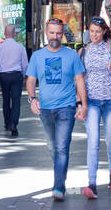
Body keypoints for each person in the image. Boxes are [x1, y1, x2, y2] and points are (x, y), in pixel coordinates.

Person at [26, 18, 87, 200]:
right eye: (52, 33)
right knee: (53, 148)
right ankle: (61, 176)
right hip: (45, 109)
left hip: (66, 108)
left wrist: (83, 105)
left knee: (61, 147)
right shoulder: (37, 56)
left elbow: (80, 81)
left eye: (58, 33)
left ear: (62, 34)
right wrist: (32, 98)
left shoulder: (71, 55)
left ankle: (58, 186)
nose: (55, 36)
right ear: (46, 32)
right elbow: (30, 80)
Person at [79, 17, 111, 196]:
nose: (94, 35)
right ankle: (91, 183)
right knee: (93, 142)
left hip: (110, 101)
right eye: (91, 31)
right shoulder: (83, 51)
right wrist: (80, 103)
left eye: (98, 32)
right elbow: (79, 80)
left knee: (110, 140)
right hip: (91, 101)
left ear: (104, 32)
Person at [0, 23, 29, 137]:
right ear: (15, 34)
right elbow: (25, 64)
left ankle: (7, 123)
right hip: (16, 75)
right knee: (16, 101)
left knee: (6, 100)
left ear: (4, 34)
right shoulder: (20, 47)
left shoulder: (0, 48)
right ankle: (14, 125)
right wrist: (24, 76)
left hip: (4, 76)